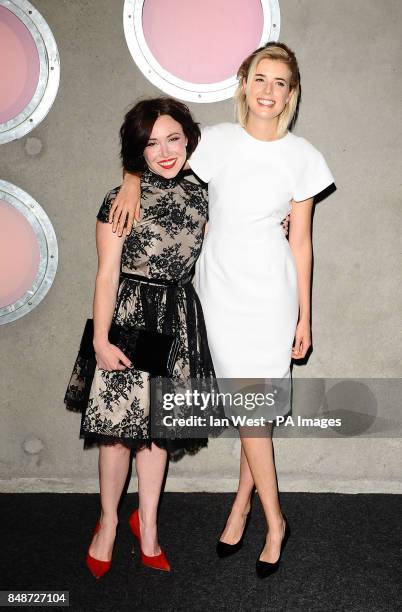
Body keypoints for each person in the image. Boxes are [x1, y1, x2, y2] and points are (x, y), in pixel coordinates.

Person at [110, 42, 335, 578]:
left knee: (252, 411)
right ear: (244, 84)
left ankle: (269, 520)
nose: (268, 91)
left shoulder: (303, 156)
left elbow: (301, 242)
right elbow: (160, 157)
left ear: (290, 95)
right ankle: (250, 509)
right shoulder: (215, 141)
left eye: (280, 83)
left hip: (270, 293)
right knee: (250, 409)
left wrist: (305, 315)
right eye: (261, 78)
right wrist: (129, 180)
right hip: (218, 290)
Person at [64, 97, 219, 578]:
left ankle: (146, 524)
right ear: (138, 152)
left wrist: (279, 221)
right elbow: (106, 275)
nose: (166, 151)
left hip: (177, 320)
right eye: (151, 144)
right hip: (131, 316)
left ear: (189, 139)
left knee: (158, 435)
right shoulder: (119, 198)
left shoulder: (204, 198)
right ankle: (108, 523)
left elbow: (238, 238)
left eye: (173, 138)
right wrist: (101, 341)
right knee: (117, 435)